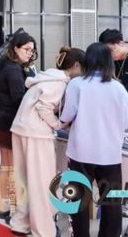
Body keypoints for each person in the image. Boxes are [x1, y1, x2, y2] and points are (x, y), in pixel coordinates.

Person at [60, 42, 128, 237]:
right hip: (110, 154)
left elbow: (66, 116)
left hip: (80, 152)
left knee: (78, 200)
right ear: (109, 61)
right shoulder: (119, 88)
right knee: (112, 201)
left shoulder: (76, 84)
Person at [9, 47, 85, 236]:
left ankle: (21, 223)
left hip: (20, 128)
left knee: (24, 179)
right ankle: (43, 231)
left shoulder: (46, 77)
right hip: (36, 134)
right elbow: (44, 108)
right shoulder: (58, 82)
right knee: (41, 183)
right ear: (76, 65)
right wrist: (58, 125)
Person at [0, 30, 36, 220]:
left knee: (5, 164)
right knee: (12, 166)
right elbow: (19, 99)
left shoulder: (2, 66)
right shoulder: (13, 70)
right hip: (11, 122)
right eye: (26, 49)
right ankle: (14, 207)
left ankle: (5, 206)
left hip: (0, 119)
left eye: (32, 50)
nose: (30, 53)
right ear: (16, 48)